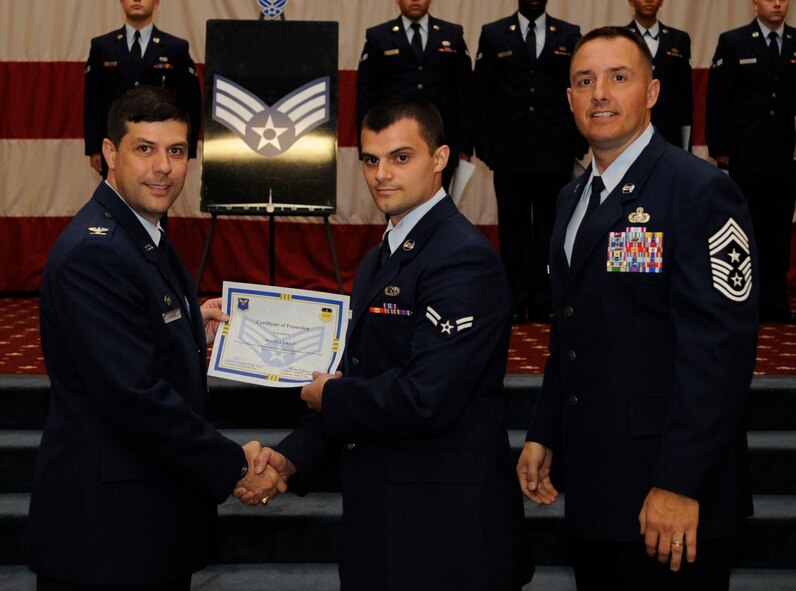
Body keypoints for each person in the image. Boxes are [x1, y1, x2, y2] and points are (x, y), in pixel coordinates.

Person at [240, 97, 533, 590]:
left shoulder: (462, 259)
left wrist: (331, 397)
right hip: (384, 524)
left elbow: (428, 398)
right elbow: (361, 381)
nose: (382, 175)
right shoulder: (381, 257)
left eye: (401, 157)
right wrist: (290, 459)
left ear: (440, 159)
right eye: (371, 160)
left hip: (445, 535)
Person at [517, 27, 758, 589]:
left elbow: (720, 353)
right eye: (584, 81)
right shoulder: (571, 199)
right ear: (570, 98)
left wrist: (681, 482)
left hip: (671, 498)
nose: (600, 93)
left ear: (652, 92)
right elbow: (571, 328)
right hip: (597, 487)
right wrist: (544, 430)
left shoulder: (699, 192)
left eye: (618, 78)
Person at [28, 86, 285, 591]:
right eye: (144, 149)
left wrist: (191, 321)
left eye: (176, 151)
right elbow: (132, 396)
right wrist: (235, 464)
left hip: (141, 520)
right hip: (107, 534)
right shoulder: (96, 252)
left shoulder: (139, 232)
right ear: (108, 154)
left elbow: (138, 332)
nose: (163, 167)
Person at [474, 0, 584, 323]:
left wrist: (578, 142)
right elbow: (483, 92)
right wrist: (485, 145)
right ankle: (514, 299)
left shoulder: (568, 34)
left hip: (555, 150)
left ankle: (545, 299)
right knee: (513, 229)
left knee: (552, 229)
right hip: (509, 152)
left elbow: (576, 89)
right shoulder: (493, 34)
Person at [706, 0, 796, 323]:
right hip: (745, 156)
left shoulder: (795, 41)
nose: (777, 4)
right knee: (746, 233)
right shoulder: (734, 41)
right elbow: (719, 97)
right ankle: (746, 303)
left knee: (779, 233)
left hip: (785, 157)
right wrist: (719, 147)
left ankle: (776, 303)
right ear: (754, 4)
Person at [356, 0, 473, 189]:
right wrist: (366, 146)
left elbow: (464, 93)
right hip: (392, 141)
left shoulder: (452, 34)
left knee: (438, 206)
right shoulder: (379, 36)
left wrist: (466, 147)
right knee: (396, 202)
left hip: (442, 139)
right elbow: (367, 96)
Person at [84, 0, 202, 178]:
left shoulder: (175, 48)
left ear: (156, 3)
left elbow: (191, 102)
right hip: (116, 141)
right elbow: (92, 100)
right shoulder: (103, 46)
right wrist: (94, 148)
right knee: (115, 200)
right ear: (122, 3)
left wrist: (187, 148)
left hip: (160, 144)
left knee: (155, 197)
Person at [625, 0, 693, 150]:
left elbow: (685, 94)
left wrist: (686, 140)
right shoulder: (621, 39)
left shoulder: (679, 39)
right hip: (631, 130)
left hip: (669, 132)